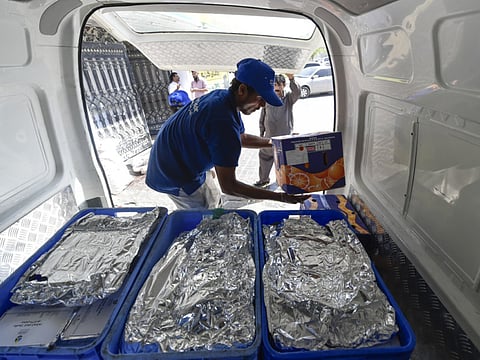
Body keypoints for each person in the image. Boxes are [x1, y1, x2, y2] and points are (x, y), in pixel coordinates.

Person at [146, 58, 310, 209]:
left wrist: (276, 143)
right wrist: (281, 197)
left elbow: (241, 138)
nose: (262, 105)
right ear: (242, 90)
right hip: (174, 172)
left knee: (214, 201)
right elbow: (229, 186)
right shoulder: (221, 119)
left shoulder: (224, 98)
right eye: (260, 98)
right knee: (201, 221)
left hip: (182, 159)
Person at [254, 73, 300, 187]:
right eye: (273, 85)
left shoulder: (288, 98)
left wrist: (292, 79)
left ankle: (285, 181)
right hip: (269, 137)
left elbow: (297, 93)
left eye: (278, 85)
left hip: (284, 138)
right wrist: (261, 132)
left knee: (284, 161)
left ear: (283, 85)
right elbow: (263, 116)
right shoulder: (267, 99)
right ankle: (263, 179)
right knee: (264, 157)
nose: (275, 88)